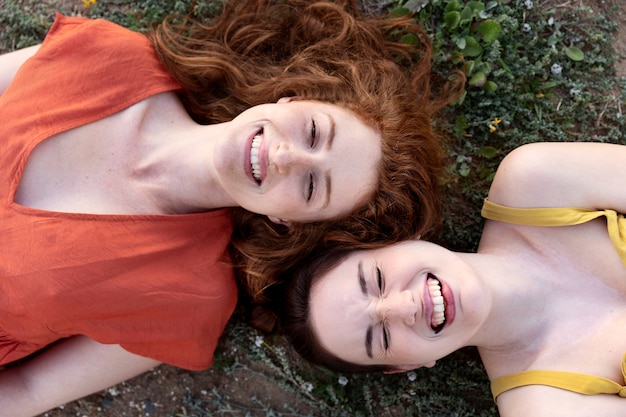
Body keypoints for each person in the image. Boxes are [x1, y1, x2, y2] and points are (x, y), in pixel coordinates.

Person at [0, 0, 462, 415]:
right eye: (315, 133)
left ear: (288, 221)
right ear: (294, 98)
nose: (286, 157)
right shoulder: (110, 54)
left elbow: (27, 390)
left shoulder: (189, 295)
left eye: (310, 187)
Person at [282, 142, 626, 417]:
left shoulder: (535, 181)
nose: (404, 306)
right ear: (407, 366)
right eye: (382, 335)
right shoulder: (545, 407)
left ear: (397, 241)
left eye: (377, 278)